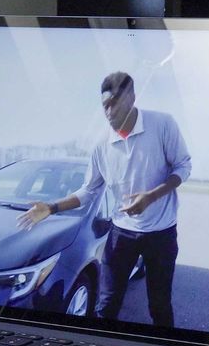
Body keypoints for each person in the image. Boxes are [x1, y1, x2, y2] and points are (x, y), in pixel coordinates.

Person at [17, 71, 191, 326]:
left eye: (114, 103)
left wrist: (152, 196)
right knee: (106, 305)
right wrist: (51, 207)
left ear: (131, 98)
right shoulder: (102, 145)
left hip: (161, 234)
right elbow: (88, 191)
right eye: (104, 106)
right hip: (122, 233)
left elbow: (183, 166)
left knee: (159, 305)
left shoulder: (163, 124)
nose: (109, 112)